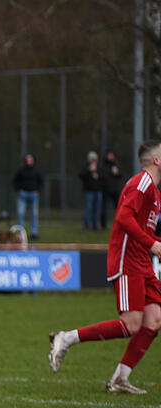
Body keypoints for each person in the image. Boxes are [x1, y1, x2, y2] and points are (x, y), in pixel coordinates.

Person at [49, 140, 161, 394]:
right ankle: (66, 338)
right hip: (127, 260)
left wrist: (154, 244)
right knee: (132, 324)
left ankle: (120, 379)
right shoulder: (141, 182)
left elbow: (145, 231)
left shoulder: (154, 191)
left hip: (142, 261)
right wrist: (153, 244)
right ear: (156, 160)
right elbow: (123, 218)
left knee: (153, 320)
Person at [12, 153, 43, 240]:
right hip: (23, 194)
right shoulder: (21, 170)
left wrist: (38, 191)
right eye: (27, 159)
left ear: (33, 160)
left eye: (30, 159)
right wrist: (19, 190)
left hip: (34, 194)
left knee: (34, 214)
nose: (29, 161)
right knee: (21, 213)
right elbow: (15, 181)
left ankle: (34, 233)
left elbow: (41, 182)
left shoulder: (37, 170)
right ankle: (21, 234)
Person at [79, 151, 104, 231]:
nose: (93, 160)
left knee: (96, 209)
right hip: (88, 191)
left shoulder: (99, 167)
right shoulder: (86, 167)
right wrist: (89, 170)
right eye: (91, 159)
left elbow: (104, 177)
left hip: (98, 191)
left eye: (94, 159)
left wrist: (98, 176)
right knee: (88, 209)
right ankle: (86, 226)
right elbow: (80, 175)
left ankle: (95, 226)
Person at [100, 150, 122, 229]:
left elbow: (120, 175)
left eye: (112, 155)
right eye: (109, 155)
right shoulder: (103, 166)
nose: (111, 157)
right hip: (106, 190)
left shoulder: (116, 165)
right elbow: (101, 176)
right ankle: (103, 226)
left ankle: (120, 225)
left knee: (119, 209)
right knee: (104, 209)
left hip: (115, 190)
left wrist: (117, 173)